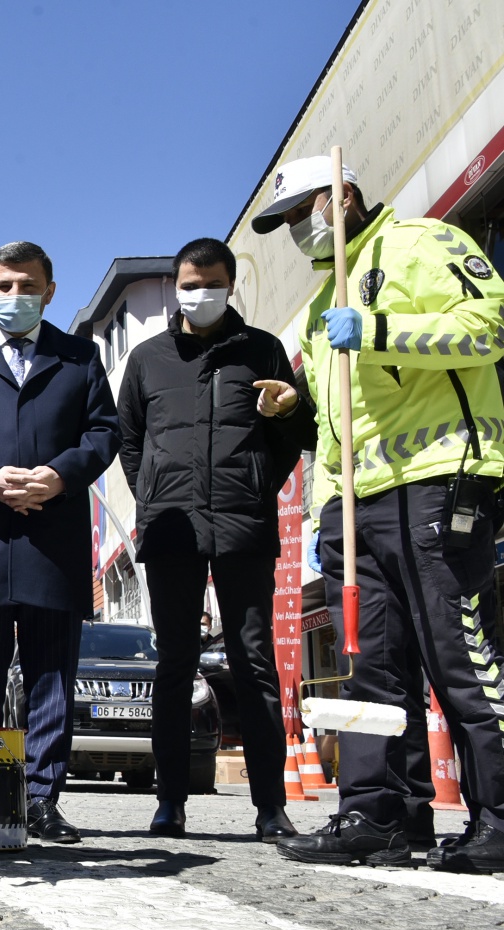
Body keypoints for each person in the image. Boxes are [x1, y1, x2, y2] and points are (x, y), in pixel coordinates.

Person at [247, 156, 504, 871]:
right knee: (372, 667)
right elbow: (342, 424)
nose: (300, 229)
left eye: (306, 211)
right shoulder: (326, 303)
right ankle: (378, 813)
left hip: (439, 477)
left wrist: (380, 329)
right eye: (288, 222)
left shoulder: (423, 244)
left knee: (457, 652)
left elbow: (491, 325)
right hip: (360, 505)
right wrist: (324, 489)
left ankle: (499, 814)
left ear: (345, 196)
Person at [118, 237, 315, 841]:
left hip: (242, 524)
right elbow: (131, 443)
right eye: (187, 284)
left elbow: (295, 433)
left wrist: (256, 484)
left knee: (255, 661)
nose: (198, 294)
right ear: (176, 287)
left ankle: (270, 808)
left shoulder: (263, 350)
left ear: (231, 286)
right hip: (172, 528)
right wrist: (154, 497)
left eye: (210, 283)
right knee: (175, 662)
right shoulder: (147, 359)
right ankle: (169, 803)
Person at [0, 240, 120, 845]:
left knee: (50, 675)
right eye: (3, 287)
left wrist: (61, 474)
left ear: (49, 290)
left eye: (27, 285)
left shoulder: (81, 358)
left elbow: (105, 432)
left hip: (53, 536)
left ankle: (41, 798)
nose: (15, 296)